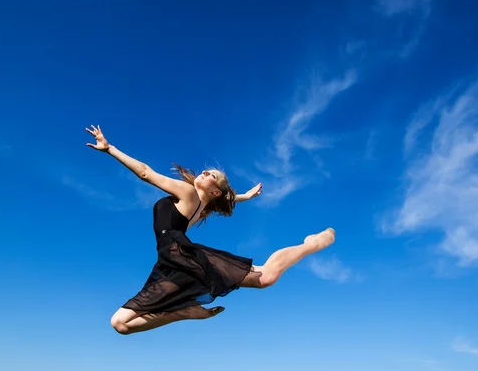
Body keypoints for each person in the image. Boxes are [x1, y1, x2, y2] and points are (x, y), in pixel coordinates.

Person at [85, 125, 335, 335]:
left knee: (266, 277)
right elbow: (225, 201)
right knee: (120, 323)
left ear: (215, 191)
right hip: (170, 262)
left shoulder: (188, 194)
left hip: (182, 254)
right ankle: (184, 312)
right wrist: (244, 196)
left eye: (211, 175)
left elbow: (145, 173)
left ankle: (311, 243)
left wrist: (110, 149)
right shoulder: (201, 206)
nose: (204, 171)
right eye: (206, 170)